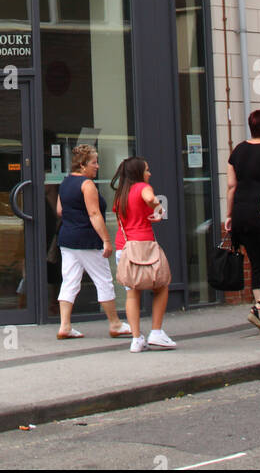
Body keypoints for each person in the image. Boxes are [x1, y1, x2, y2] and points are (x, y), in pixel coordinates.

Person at [55, 144, 131, 340]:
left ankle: (65, 325)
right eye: (94, 163)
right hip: (87, 240)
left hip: (67, 238)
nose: (97, 166)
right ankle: (115, 324)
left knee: (70, 281)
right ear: (82, 165)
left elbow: (59, 211)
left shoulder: (65, 182)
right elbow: (95, 214)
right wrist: (106, 240)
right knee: (103, 280)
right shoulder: (87, 185)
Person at [225, 108, 260, 335]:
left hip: (241, 214)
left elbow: (232, 187)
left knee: (258, 265)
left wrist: (229, 215)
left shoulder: (237, 151)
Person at [111, 156, 176, 352]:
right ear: (139, 172)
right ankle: (156, 332)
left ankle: (136, 338)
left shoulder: (121, 193)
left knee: (132, 293)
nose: (149, 173)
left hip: (124, 247)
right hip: (144, 246)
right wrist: (158, 209)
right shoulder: (142, 187)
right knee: (162, 285)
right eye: (147, 170)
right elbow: (150, 199)